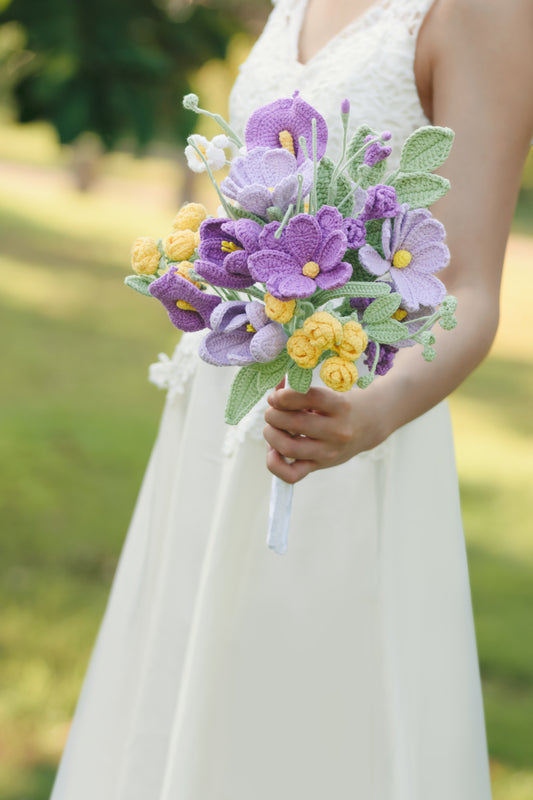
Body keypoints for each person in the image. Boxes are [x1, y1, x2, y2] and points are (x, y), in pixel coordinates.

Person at [50, 0, 533, 798]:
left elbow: (469, 289)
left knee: (299, 714)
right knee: (179, 686)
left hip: (344, 417)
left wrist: (371, 417)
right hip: (218, 406)